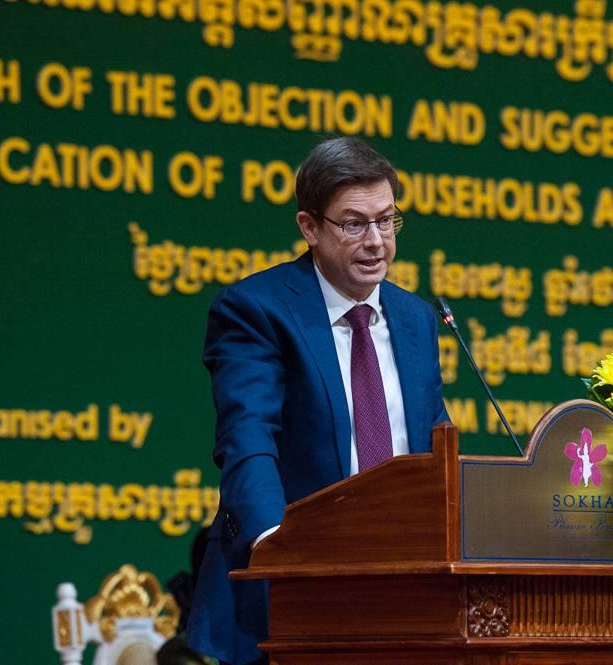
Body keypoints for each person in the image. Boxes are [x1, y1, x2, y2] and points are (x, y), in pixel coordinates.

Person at [186, 137, 449, 665]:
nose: (376, 242)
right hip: (289, 592)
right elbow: (248, 438)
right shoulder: (257, 309)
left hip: (405, 596)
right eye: (354, 224)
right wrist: (277, 547)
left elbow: (431, 443)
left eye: (386, 221)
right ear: (309, 227)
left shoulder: (417, 317)